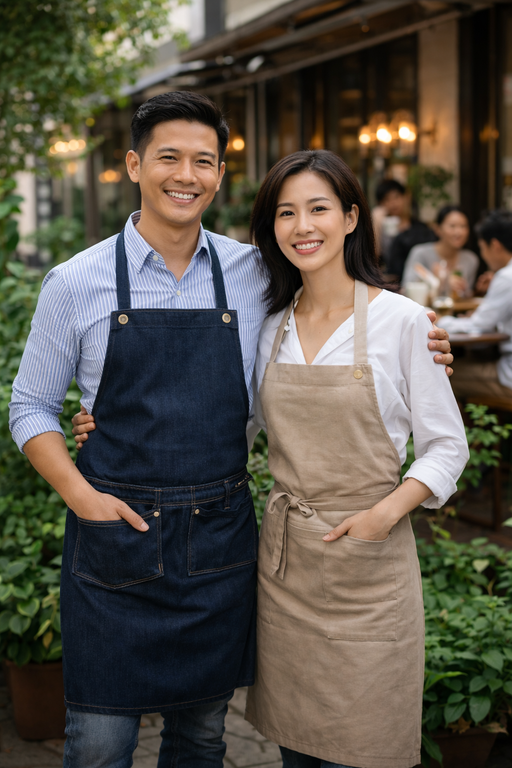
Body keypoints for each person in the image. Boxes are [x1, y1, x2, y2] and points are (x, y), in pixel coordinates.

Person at [22, 94, 451, 768]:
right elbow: (30, 407)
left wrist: (419, 341)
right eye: (168, 157)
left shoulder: (253, 276)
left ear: (220, 175)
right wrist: (81, 494)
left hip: (219, 543)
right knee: (99, 743)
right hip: (115, 541)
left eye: (203, 161)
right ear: (134, 164)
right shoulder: (73, 283)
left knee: (202, 737)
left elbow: (325, 335)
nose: (184, 175)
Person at [242, 151, 468, 768]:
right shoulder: (267, 328)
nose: (301, 226)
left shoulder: (403, 321)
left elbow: (448, 445)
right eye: (285, 213)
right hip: (287, 568)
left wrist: (380, 516)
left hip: (370, 564)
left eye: (318, 208)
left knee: (363, 750)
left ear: (349, 218)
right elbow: (233, 430)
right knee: (297, 751)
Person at [437, 210, 512, 401]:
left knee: (445, 373)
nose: (483, 255)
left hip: (508, 376)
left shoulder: (506, 277)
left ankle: (466, 430)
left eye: (482, 248)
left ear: (494, 245)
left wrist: (441, 321)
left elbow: (478, 326)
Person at [402, 205, 479, 296]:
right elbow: (406, 290)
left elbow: (466, 295)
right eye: (452, 226)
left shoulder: (470, 259)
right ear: (437, 229)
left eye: (463, 226)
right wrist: (436, 281)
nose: (458, 232)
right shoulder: (420, 253)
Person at [372, 178, 435, 278]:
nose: (393, 203)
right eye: (386, 200)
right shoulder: (381, 229)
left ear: (405, 198)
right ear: (380, 204)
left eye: (396, 197)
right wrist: (376, 223)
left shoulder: (419, 228)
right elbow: (374, 257)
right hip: (391, 282)